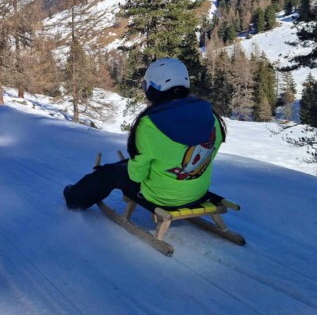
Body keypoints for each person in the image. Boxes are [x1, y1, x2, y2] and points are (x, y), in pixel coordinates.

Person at [63, 58, 226, 211]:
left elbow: (136, 176)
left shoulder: (150, 125)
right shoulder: (211, 117)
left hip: (162, 198)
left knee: (108, 173)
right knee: (135, 163)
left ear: (153, 89)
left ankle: (74, 198)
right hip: (197, 193)